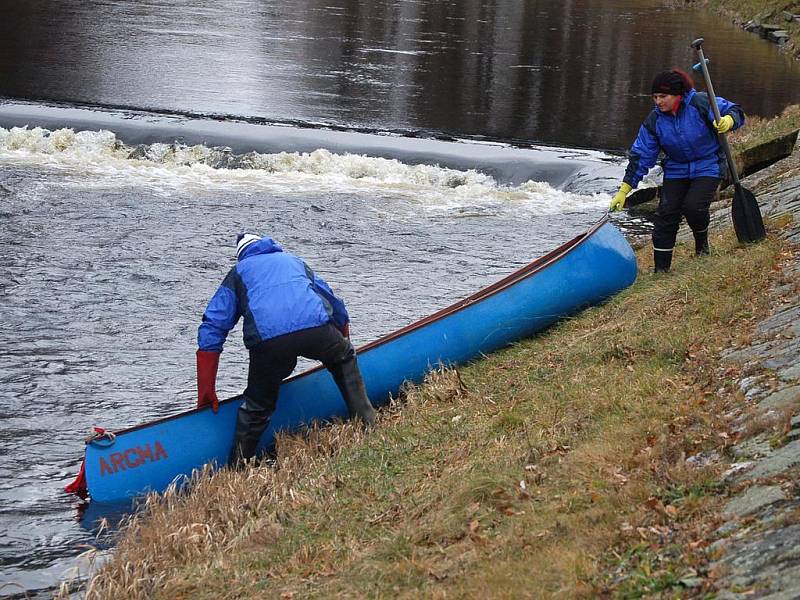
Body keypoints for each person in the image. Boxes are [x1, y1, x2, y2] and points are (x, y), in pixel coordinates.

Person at [196, 233, 377, 466]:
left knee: (257, 405)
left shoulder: (239, 272)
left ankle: (239, 465)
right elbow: (332, 300)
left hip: (270, 344)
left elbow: (213, 326)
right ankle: (368, 424)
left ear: (241, 256)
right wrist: (343, 341)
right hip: (317, 331)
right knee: (344, 360)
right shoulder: (294, 260)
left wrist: (207, 390)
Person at [609, 68, 745, 272]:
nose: (658, 101)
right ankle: (661, 270)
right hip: (676, 168)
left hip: (708, 164)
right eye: (655, 97)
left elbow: (736, 111)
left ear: (678, 95)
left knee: (694, 206)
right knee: (665, 215)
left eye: (663, 96)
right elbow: (641, 156)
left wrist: (729, 121)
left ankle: (702, 245)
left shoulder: (700, 103)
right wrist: (624, 190)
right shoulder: (654, 121)